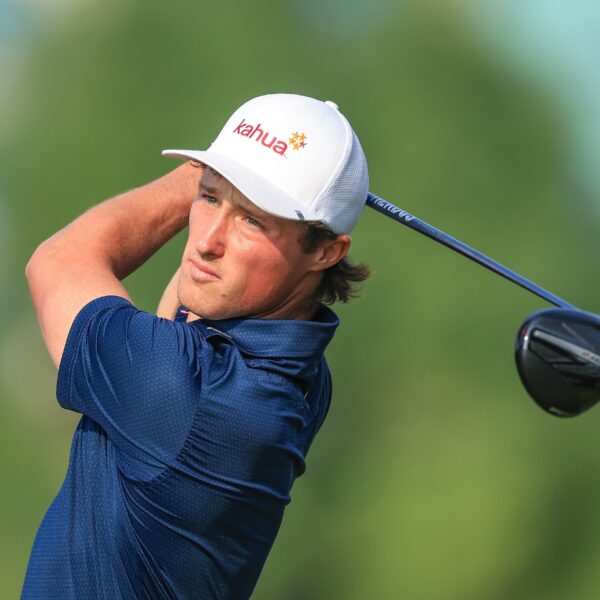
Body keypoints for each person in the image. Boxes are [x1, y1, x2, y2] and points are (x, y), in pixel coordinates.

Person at [22, 93, 369, 599]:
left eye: (253, 219)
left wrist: (197, 173)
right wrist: (231, 173)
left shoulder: (190, 393)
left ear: (326, 252)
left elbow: (57, 262)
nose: (207, 240)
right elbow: (189, 304)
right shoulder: (302, 374)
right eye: (209, 199)